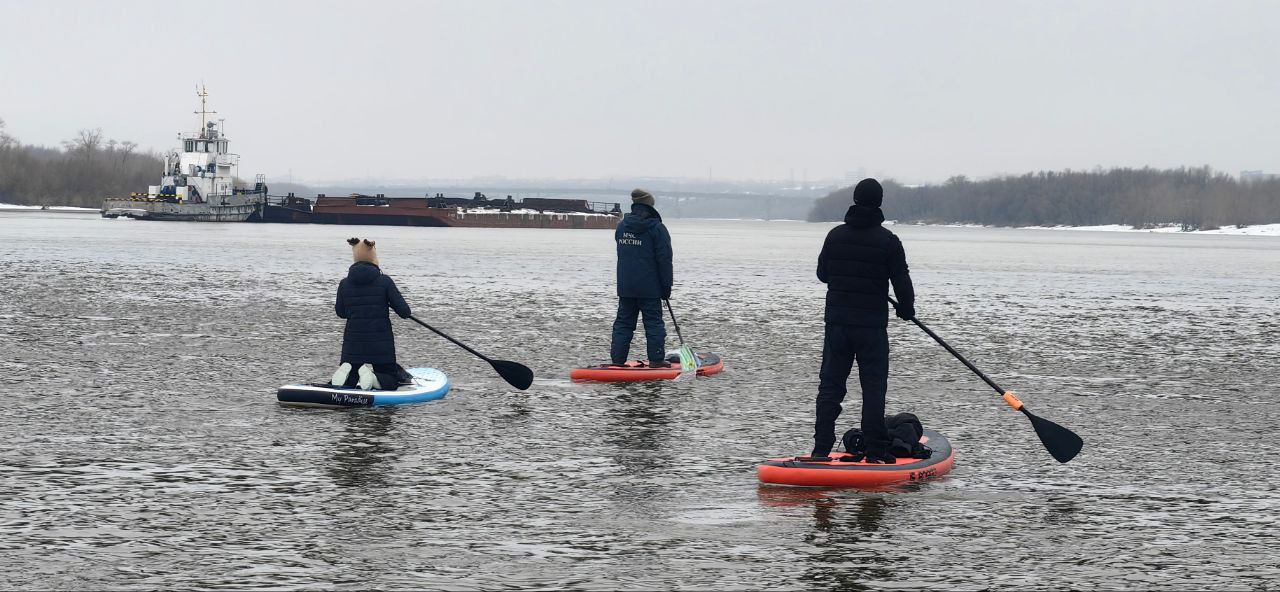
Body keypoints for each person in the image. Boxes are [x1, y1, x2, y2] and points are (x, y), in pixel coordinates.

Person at [812, 178, 916, 463]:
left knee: (830, 387)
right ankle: (875, 451)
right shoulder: (888, 241)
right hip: (871, 328)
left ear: (855, 199)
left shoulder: (834, 236)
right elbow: (902, 281)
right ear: (879, 203)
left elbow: (823, 274)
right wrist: (907, 309)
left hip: (837, 325)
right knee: (873, 388)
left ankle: (821, 449)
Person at [330, 237, 412, 390]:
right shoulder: (385, 281)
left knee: (352, 375)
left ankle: (347, 374)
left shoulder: (344, 283)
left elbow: (340, 312)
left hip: (353, 343)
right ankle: (374, 378)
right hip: (380, 343)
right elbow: (404, 312)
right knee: (389, 378)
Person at [610, 188, 674, 367]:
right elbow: (665, 259)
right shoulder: (657, 228)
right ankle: (656, 360)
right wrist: (666, 287)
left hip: (626, 286)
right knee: (653, 324)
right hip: (650, 287)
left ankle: (617, 361)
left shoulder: (622, 226)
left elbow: (622, 253)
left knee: (623, 323)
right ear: (649, 205)